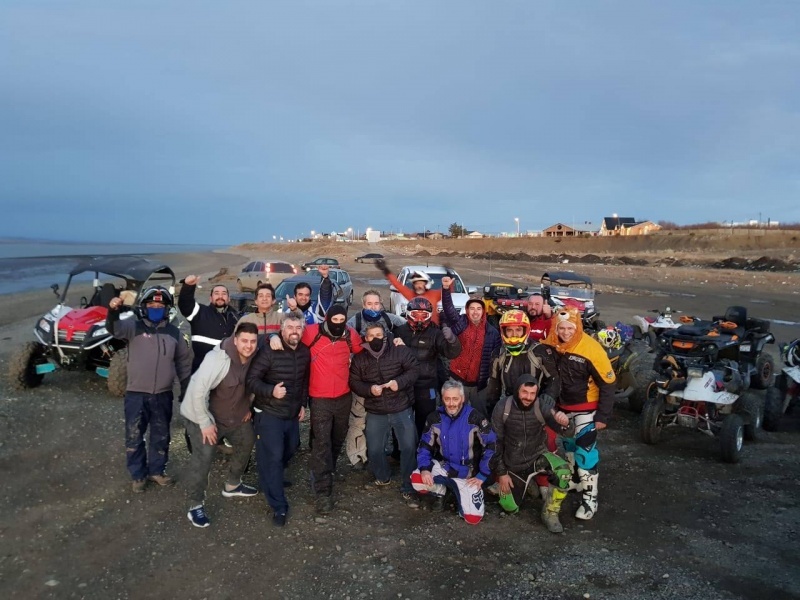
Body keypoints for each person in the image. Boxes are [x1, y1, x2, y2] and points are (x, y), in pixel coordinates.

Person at [108, 287, 192, 493]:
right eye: (152, 305)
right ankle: (138, 475)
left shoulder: (174, 332)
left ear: (167, 309)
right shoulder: (132, 327)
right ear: (144, 307)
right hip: (136, 394)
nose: (156, 308)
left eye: (160, 306)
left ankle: (157, 470)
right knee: (134, 435)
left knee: (161, 435)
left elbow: (183, 362)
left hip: (163, 394)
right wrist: (113, 311)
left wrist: (185, 387)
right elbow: (113, 328)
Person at [180, 322, 259, 528]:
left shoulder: (254, 357)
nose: (248, 346)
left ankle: (233, 484)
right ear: (235, 340)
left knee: (247, 440)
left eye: (252, 341)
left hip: (233, 416)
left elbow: (250, 384)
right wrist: (205, 423)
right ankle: (195, 505)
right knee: (204, 458)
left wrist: (248, 406)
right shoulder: (217, 358)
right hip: (201, 415)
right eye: (244, 341)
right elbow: (198, 392)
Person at [544, 307, 616, 521]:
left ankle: (590, 498)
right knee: (569, 451)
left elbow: (609, 383)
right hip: (561, 409)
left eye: (569, 328)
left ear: (577, 326)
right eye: (561, 328)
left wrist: (603, 416)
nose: (565, 332)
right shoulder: (551, 343)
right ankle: (575, 481)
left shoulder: (591, 348)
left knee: (586, 454)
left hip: (587, 409)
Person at [296, 304, 363, 514]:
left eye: (342, 320)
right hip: (319, 397)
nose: (338, 325)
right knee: (322, 442)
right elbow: (292, 339)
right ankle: (323, 491)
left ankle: (327, 468)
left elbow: (366, 350)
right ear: (327, 319)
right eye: (334, 320)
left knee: (337, 438)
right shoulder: (311, 332)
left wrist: (391, 341)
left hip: (343, 395)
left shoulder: (350, 334)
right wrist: (274, 339)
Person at [246, 316, 311, 527]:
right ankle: (279, 506)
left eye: (298, 327)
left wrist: (302, 404)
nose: (294, 331)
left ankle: (269, 478)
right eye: (290, 327)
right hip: (269, 413)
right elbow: (251, 380)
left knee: (291, 447)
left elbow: (303, 381)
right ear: (282, 330)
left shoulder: (303, 352)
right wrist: (271, 391)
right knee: (273, 456)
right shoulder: (269, 350)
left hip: (290, 413)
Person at [349, 322, 420, 507]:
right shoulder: (359, 359)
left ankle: (408, 484)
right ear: (365, 338)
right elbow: (354, 382)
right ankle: (382, 476)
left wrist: (400, 382)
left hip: (401, 407)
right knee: (374, 449)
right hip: (376, 410)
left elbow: (413, 370)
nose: (375, 339)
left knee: (408, 447)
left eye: (379, 335)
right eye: (371, 336)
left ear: (385, 335)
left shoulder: (399, 350)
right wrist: (369, 389)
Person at [490, 374, 572, 533]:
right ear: (516, 391)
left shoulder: (541, 406)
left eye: (532, 393)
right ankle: (527, 484)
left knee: (563, 472)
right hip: (513, 464)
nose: (528, 397)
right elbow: (494, 443)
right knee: (510, 508)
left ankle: (550, 513)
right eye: (524, 392)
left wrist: (566, 424)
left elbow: (566, 433)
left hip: (538, 456)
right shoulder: (502, 407)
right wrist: (501, 473)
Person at [411, 380, 496, 524]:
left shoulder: (475, 418)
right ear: (442, 398)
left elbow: (492, 445)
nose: (451, 403)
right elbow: (424, 445)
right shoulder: (434, 417)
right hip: (446, 466)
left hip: (468, 473)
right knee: (417, 479)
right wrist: (424, 469)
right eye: (447, 399)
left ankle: (465, 494)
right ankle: (441, 491)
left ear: (462, 398)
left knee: (472, 519)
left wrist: (482, 475)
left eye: (455, 399)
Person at [394, 297, 462, 436]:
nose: (419, 319)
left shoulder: (435, 333)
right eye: (415, 315)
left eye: (423, 315)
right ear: (408, 314)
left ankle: (424, 450)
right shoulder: (399, 331)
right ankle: (399, 453)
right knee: (401, 422)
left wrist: (452, 340)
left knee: (425, 421)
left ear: (429, 316)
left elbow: (451, 353)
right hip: (404, 385)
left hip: (426, 385)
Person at [440, 275, 501, 418]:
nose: (475, 312)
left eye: (478, 308)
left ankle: (479, 440)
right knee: (454, 413)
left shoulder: (492, 332)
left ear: (483, 311)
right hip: (457, 380)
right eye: (472, 308)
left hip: (478, 384)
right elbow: (448, 309)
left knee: (480, 416)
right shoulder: (461, 323)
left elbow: (496, 358)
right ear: (467, 310)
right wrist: (445, 289)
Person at [486, 309, 560, 419]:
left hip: (535, 406)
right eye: (509, 330)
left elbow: (554, 378)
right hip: (508, 407)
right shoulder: (498, 353)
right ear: (503, 331)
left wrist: (549, 395)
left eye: (518, 330)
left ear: (526, 330)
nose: (514, 334)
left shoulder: (539, 351)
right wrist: (492, 410)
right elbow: (493, 384)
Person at [179, 275, 240, 373]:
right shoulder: (199, 312)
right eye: (216, 293)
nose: (220, 296)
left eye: (224, 294)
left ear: (229, 299)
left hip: (227, 373)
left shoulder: (236, 318)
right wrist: (188, 287)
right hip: (202, 372)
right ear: (210, 298)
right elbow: (185, 305)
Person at [374, 259, 443, 325]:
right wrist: (385, 270)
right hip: (415, 328)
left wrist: (449, 278)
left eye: (421, 283)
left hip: (434, 329)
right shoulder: (411, 295)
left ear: (426, 284)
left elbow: (447, 292)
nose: (418, 286)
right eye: (416, 283)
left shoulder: (435, 294)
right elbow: (397, 284)